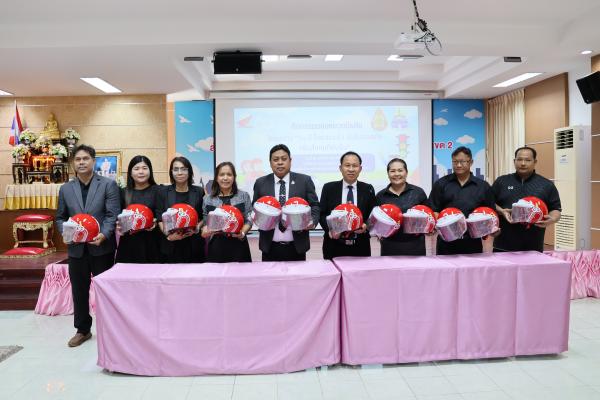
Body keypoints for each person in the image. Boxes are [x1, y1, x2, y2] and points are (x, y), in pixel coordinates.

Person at [55, 144, 120, 347]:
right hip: (76, 249)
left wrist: (104, 234)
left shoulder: (108, 185)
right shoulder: (66, 189)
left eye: (85, 159)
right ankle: (83, 330)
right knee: (79, 291)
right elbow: (60, 217)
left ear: (93, 161)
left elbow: (112, 215)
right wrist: (65, 233)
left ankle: (111, 329)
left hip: (101, 247)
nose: (81, 162)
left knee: (105, 290)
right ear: (73, 163)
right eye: (77, 159)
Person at [252, 144, 319, 261]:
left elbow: (315, 206)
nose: (280, 162)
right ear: (270, 162)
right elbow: (255, 208)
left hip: (297, 246)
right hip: (269, 246)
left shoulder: (304, 181)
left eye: (284, 159)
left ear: (290, 160)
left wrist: (312, 221)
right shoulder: (260, 183)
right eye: (275, 159)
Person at [492, 146, 562, 252]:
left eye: (528, 160)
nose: (523, 163)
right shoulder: (501, 181)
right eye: (519, 159)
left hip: (533, 246)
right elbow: (490, 203)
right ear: (514, 161)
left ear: (535, 162)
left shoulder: (546, 185)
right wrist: (502, 211)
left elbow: (556, 209)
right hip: (502, 245)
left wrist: (552, 219)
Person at [429, 146, 495, 255]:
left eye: (462, 161)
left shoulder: (483, 186)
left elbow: (490, 212)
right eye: (455, 162)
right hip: (446, 240)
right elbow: (434, 209)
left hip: (472, 241)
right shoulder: (441, 184)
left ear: (471, 162)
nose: (458, 165)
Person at [319, 151, 376, 259]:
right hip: (333, 244)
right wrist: (330, 229)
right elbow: (322, 214)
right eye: (347, 165)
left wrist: (366, 226)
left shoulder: (368, 189)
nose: (351, 169)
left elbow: (372, 215)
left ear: (360, 168)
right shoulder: (329, 188)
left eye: (355, 166)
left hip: (360, 245)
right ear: (341, 168)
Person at [376, 158, 430, 256]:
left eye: (400, 170)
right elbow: (376, 223)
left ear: (406, 172)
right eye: (392, 171)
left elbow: (428, 218)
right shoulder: (380, 196)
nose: (396, 174)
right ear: (388, 173)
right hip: (389, 246)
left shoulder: (418, 192)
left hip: (416, 245)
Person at [156, 156, 205, 263]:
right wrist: (168, 235)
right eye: (176, 169)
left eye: (183, 169)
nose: (179, 173)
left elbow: (203, 216)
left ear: (189, 172)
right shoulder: (163, 192)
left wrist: (197, 227)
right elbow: (159, 218)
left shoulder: (199, 191)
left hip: (194, 244)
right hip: (171, 244)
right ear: (171, 172)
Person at [201, 162, 252, 262]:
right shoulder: (207, 199)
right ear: (216, 178)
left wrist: (242, 233)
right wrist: (205, 231)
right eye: (221, 175)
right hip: (217, 247)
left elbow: (249, 219)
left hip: (239, 245)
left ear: (234, 177)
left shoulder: (243, 196)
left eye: (229, 174)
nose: (225, 178)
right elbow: (206, 223)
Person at [115, 155, 162, 263]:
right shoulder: (124, 192)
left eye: (145, 168)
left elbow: (162, 216)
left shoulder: (159, 191)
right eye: (136, 168)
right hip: (129, 244)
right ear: (130, 173)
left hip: (153, 243)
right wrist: (118, 225)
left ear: (150, 171)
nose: (141, 172)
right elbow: (117, 216)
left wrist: (156, 222)